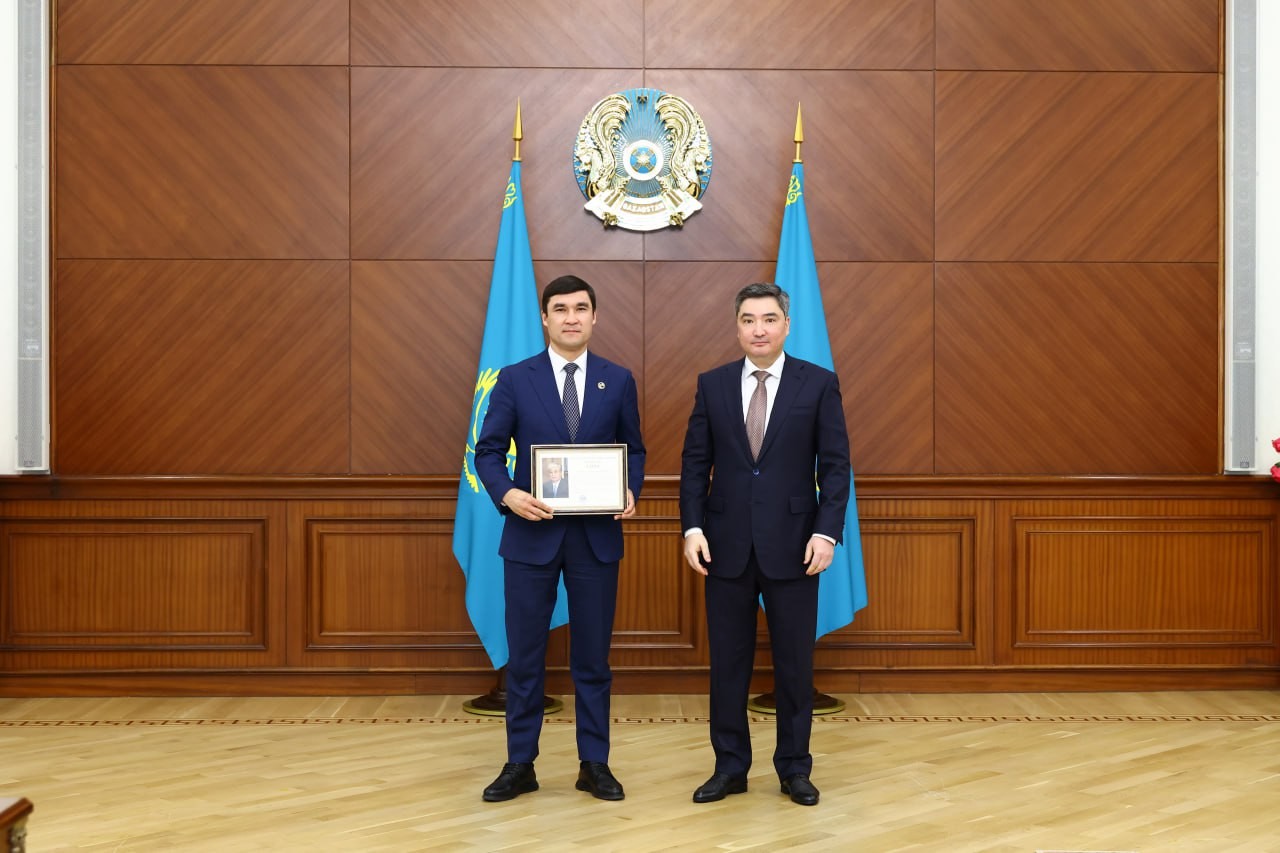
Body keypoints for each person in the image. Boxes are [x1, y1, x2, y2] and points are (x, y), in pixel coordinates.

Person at [474, 274, 646, 803]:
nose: (572, 317)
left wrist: (629, 489)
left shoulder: (618, 380)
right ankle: (519, 763)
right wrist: (508, 495)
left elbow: (634, 450)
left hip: (596, 539)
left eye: (581, 308)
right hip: (531, 537)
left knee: (592, 660)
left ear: (595, 317)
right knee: (526, 658)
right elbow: (487, 451)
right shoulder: (514, 379)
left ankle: (594, 764)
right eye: (561, 309)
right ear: (545, 318)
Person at [679, 282, 851, 807]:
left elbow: (836, 466)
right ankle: (730, 768)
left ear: (786, 326)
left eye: (769, 319)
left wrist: (826, 532)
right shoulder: (712, 385)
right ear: (737, 327)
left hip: (796, 547)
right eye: (749, 319)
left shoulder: (817, 383)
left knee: (794, 666)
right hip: (724, 547)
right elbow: (694, 464)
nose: (759, 329)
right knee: (727, 666)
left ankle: (795, 768)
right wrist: (692, 528)